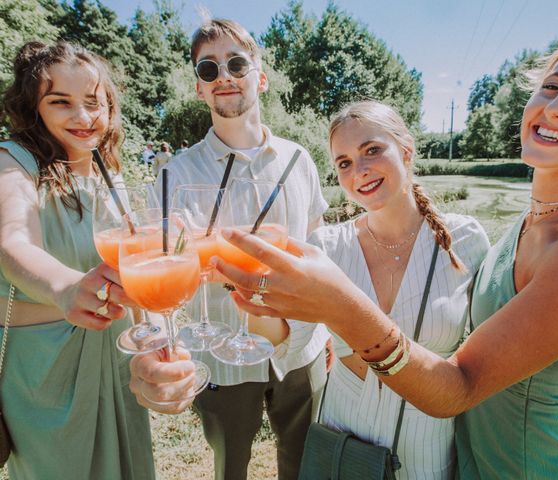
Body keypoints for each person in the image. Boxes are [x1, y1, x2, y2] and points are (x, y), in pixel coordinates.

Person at [208, 21, 558, 479]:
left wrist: (341, 306)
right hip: (426, 455)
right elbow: (284, 335)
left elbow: (460, 383)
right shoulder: (533, 222)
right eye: (552, 85)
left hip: (516, 465)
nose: (556, 107)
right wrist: (248, 289)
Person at [129, 18, 330, 480]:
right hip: (219, 354)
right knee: (230, 467)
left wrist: (330, 330)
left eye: (236, 63)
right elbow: (158, 272)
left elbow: (318, 247)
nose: (224, 76)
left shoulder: (299, 160)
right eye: (208, 69)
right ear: (199, 89)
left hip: (300, 347)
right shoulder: (173, 176)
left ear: (259, 77)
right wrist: (159, 347)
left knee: (303, 462)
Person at [304, 101, 488, 479]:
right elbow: (289, 337)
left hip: (427, 449)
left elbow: (486, 357)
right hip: (341, 445)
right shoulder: (326, 246)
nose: (360, 171)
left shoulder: (464, 240)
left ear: (406, 151)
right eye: (344, 163)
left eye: (372, 150)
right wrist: (252, 298)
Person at [0, 42, 155, 479]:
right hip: (47, 368)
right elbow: (13, 243)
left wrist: (154, 333)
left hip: (119, 357)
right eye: (61, 102)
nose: (84, 118)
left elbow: (135, 262)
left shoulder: (110, 173)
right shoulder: (15, 162)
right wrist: (66, 287)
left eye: (94, 102)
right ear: (34, 107)